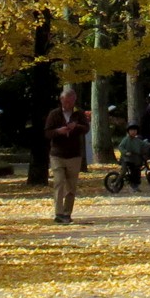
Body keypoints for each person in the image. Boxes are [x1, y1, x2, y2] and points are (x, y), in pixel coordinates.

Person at [44, 87, 91, 224]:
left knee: (71, 186)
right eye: (66, 102)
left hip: (74, 155)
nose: (68, 104)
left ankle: (67, 213)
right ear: (61, 100)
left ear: (74, 101)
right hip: (57, 154)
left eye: (71, 102)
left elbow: (86, 128)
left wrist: (75, 127)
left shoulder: (79, 114)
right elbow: (47, 132)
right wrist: (58, 131)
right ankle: (58, 213)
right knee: (59, 182)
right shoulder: (54, 114)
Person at [116, 123, 150, 189]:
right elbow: (120, 147)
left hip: (133, 159)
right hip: (125, 159)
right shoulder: (126, 139)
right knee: (123, 171)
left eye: (135, 130)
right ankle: (116, 183)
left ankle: (135, 185)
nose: (133, 132)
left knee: (136, 171)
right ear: (128, 131)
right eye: (131, 130)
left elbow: (144, 143)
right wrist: (126, 152)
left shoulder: (137, 140)